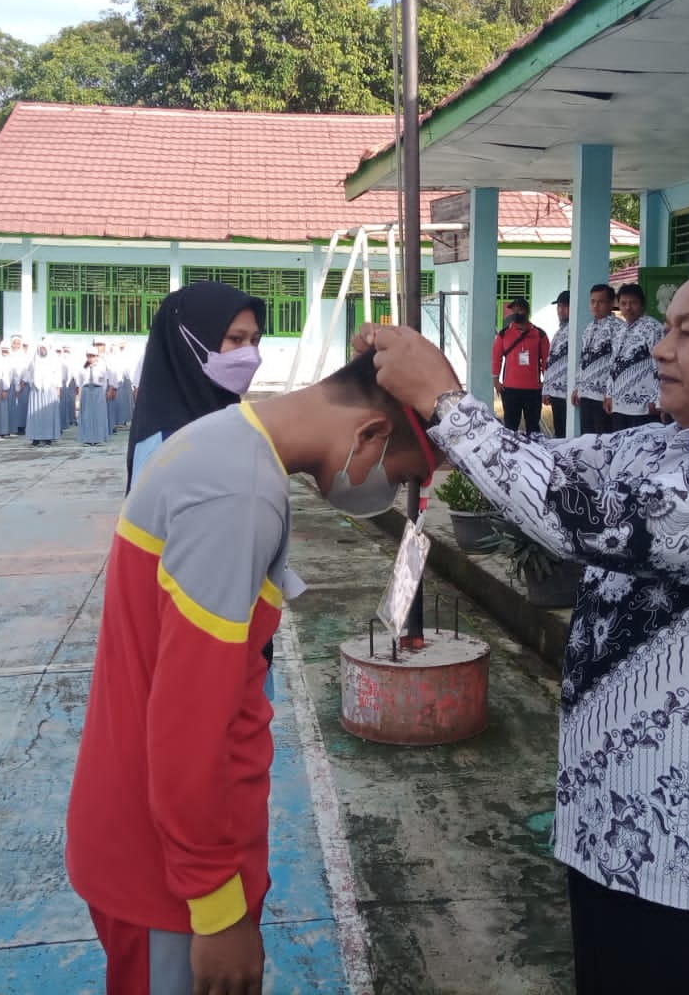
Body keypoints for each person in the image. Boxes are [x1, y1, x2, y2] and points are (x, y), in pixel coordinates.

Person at [366, 248, 689, 993]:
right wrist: (423, 427)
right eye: (664, 328)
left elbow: (573, 516)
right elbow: (539, 462)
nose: (660, 349)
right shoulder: (655, 443)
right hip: (610, 828)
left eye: (688, 333)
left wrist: (446, 399)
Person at [66, 350, 436, 995]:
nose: (387, 489)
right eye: (399, 472)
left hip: (156, 841)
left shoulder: (223, 440)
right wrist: (216, 910)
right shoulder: (237, 495)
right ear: (371, 434)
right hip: (169, 879)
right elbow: (188, 721)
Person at [125, 281, 265, 493]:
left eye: (254, 340)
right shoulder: (168, 446)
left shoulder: (225, 420)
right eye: (236, 339)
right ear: (188, 343)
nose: (251, 354)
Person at [605, 283, 666, 429]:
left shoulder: (653, 328)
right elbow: (613, 364)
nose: (628, 307)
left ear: (642, 305)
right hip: (619, 405)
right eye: (623, 303)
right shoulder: (619, 331)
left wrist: (658, 399)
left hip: (644, 407)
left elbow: (661, 364)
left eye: (633, 303)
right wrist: (608, 394)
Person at [491, 296, 550, 436]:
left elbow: (546, 361)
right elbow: (496, 358)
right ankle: (512, 455)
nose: (517, 313)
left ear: (527, 311)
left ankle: (534, 454)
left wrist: (546, 382)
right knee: (511, 427)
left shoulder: (539, 335)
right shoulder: (504, 334)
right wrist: (495, 381)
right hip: (510, 390)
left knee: (533, 428)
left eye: (520, 310)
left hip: (533, 390)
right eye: (514, 310)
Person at [571, 282, 617, 434]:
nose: (596, 306)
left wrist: (610, 393)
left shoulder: (618, 328)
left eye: (601, 302)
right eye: (593, 301)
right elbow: (583, 360)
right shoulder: (589, 328)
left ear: (611, 303)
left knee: (602, 440)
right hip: (586, 394)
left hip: (603, 396)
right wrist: (577, 387)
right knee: (586, 438)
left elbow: (617, 363)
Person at [542, 290, 572, 438]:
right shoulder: (559, 332)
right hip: (555, 392)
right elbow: (551, 361)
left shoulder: (576, 330)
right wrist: (547, 389)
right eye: (559, 306)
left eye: (565, 306)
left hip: (568, 392)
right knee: (559, 430)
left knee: (567, 431)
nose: (561, 310)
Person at [26, 339, 64, 446]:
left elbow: (58, 374)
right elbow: (28, 373)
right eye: (41, 348)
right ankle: (35, 437)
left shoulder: (54, 359)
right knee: (35, 414)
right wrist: (32, 383)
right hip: (36, 391)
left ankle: (48, 437)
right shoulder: (34, 360)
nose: (42, 350)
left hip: (50, 389)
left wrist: (58, 388)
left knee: (48, 414)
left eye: (44, 348)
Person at [77, 346, 112, 446]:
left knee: (98, 415)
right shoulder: (83, 367)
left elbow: (105, 380)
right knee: (87, 415)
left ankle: (98, 438)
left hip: (98, 390)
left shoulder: (102, 366)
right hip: (86, 391)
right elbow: (80, 380)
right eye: (89, 356)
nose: (91, 358)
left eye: (93, 356)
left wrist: (103, 391)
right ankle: (87, 438)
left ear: (97, 356)